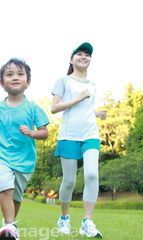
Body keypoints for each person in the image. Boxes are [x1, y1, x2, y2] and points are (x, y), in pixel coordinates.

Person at [0, 58, 49, 240]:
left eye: (20, 74)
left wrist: (31, 133)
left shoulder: (33, 107)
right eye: (9, 74)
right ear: (1, 82)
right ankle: (11, 227)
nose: (15, 77)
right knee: (6, 188)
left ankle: (8, 225)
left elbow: (45, 133)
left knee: (16, 197)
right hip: (2, 155)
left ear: (28, 82)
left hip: (25, 159)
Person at [50, 42, 106, 239]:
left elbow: (86, 107)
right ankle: (64, 218)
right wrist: (78, 99)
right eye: (80, 54)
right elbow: (54, 108)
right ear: (72, 59)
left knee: (92, 174)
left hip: (90, 134)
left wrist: (97, 113)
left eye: (87, 55)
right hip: (68, 135)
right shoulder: (63, 81)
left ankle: (87, 222)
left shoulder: (93, 85)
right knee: (69, 181)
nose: (84, 57)